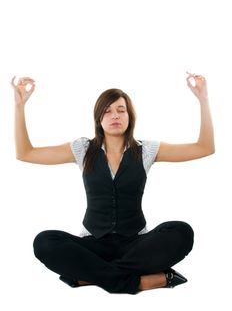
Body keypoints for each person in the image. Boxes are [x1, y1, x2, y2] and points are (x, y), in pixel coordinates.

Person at [11, 72, 215, 294]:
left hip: (136, 245)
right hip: (92, 245)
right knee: (44, 242)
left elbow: (204, 148)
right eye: (107, 111)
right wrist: (19, 106)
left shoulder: (147, 150)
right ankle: (145, 281)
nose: (114, 115)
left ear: (130, 116)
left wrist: (203, 100)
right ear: (99, 119)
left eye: (121, 110)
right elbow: (26, 153)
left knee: (182, 232)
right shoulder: (82, 149)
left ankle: (88, 278)